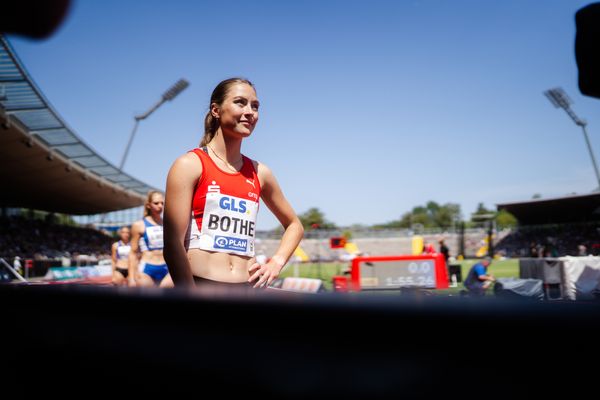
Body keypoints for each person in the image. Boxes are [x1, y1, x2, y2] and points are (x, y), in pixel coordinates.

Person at [163, 77, 304, 289]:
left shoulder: (260, 173)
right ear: (216, 110)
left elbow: (295, 225)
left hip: (248, 288)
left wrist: (276, 263)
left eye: (255, 106)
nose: (250, 112)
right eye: (240, 102)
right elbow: (173, 244)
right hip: (202, 286)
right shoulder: (189, 165)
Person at [129, 191, 173, 288]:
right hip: (147, 268)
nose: (160, 206)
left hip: (166, 268)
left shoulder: (167, 224)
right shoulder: (139, 225)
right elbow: (133, 253)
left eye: (162, 203)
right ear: (148, 205)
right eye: (156, 203)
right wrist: (131, 278)